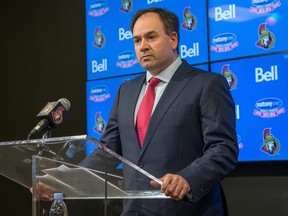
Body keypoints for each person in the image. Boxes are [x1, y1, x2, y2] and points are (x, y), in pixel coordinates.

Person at [79, 7, 239, 216]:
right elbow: (109, 150)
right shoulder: (125, 91)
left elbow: (223, 149)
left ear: (173, 40)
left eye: (151, 37)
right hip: (133, 211)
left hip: (186, 210)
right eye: (137, 40)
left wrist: (187, 178)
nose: (143, 46)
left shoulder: (207, 84)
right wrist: (65, 177)